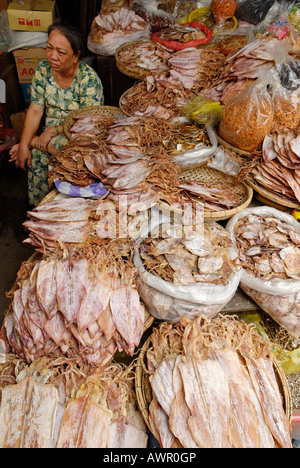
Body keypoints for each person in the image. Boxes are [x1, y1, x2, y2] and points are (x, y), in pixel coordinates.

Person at [9, 20, 104, 206]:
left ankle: (34, 143)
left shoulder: (89, 80)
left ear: (76, 56)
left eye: (60, 52)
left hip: (78, 135)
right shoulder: (43, 70)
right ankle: (40, 212)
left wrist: (51, 132)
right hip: (48, 137)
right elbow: (35, 110)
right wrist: (23, 147)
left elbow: (89, 123)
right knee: (37, 158)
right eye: (49, 48)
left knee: (69, 156)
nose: (53, 56)